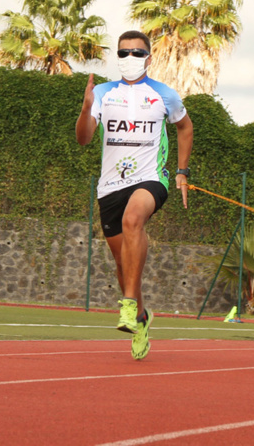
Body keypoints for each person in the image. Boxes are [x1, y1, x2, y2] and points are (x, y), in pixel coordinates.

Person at [76, 30, 193, 360]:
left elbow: (185, 127)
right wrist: (86, 109)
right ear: (118, 56)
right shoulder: (102, 92)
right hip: (109, 186)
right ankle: (141, 317)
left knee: (133, 220)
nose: (130, 58)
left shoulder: (164, 94)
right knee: (122, 263)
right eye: (124, 53)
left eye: (137, 53)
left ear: (149, 58)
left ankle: (127, 305)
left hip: (151, 178)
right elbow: (84, 139)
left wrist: (182, 171)